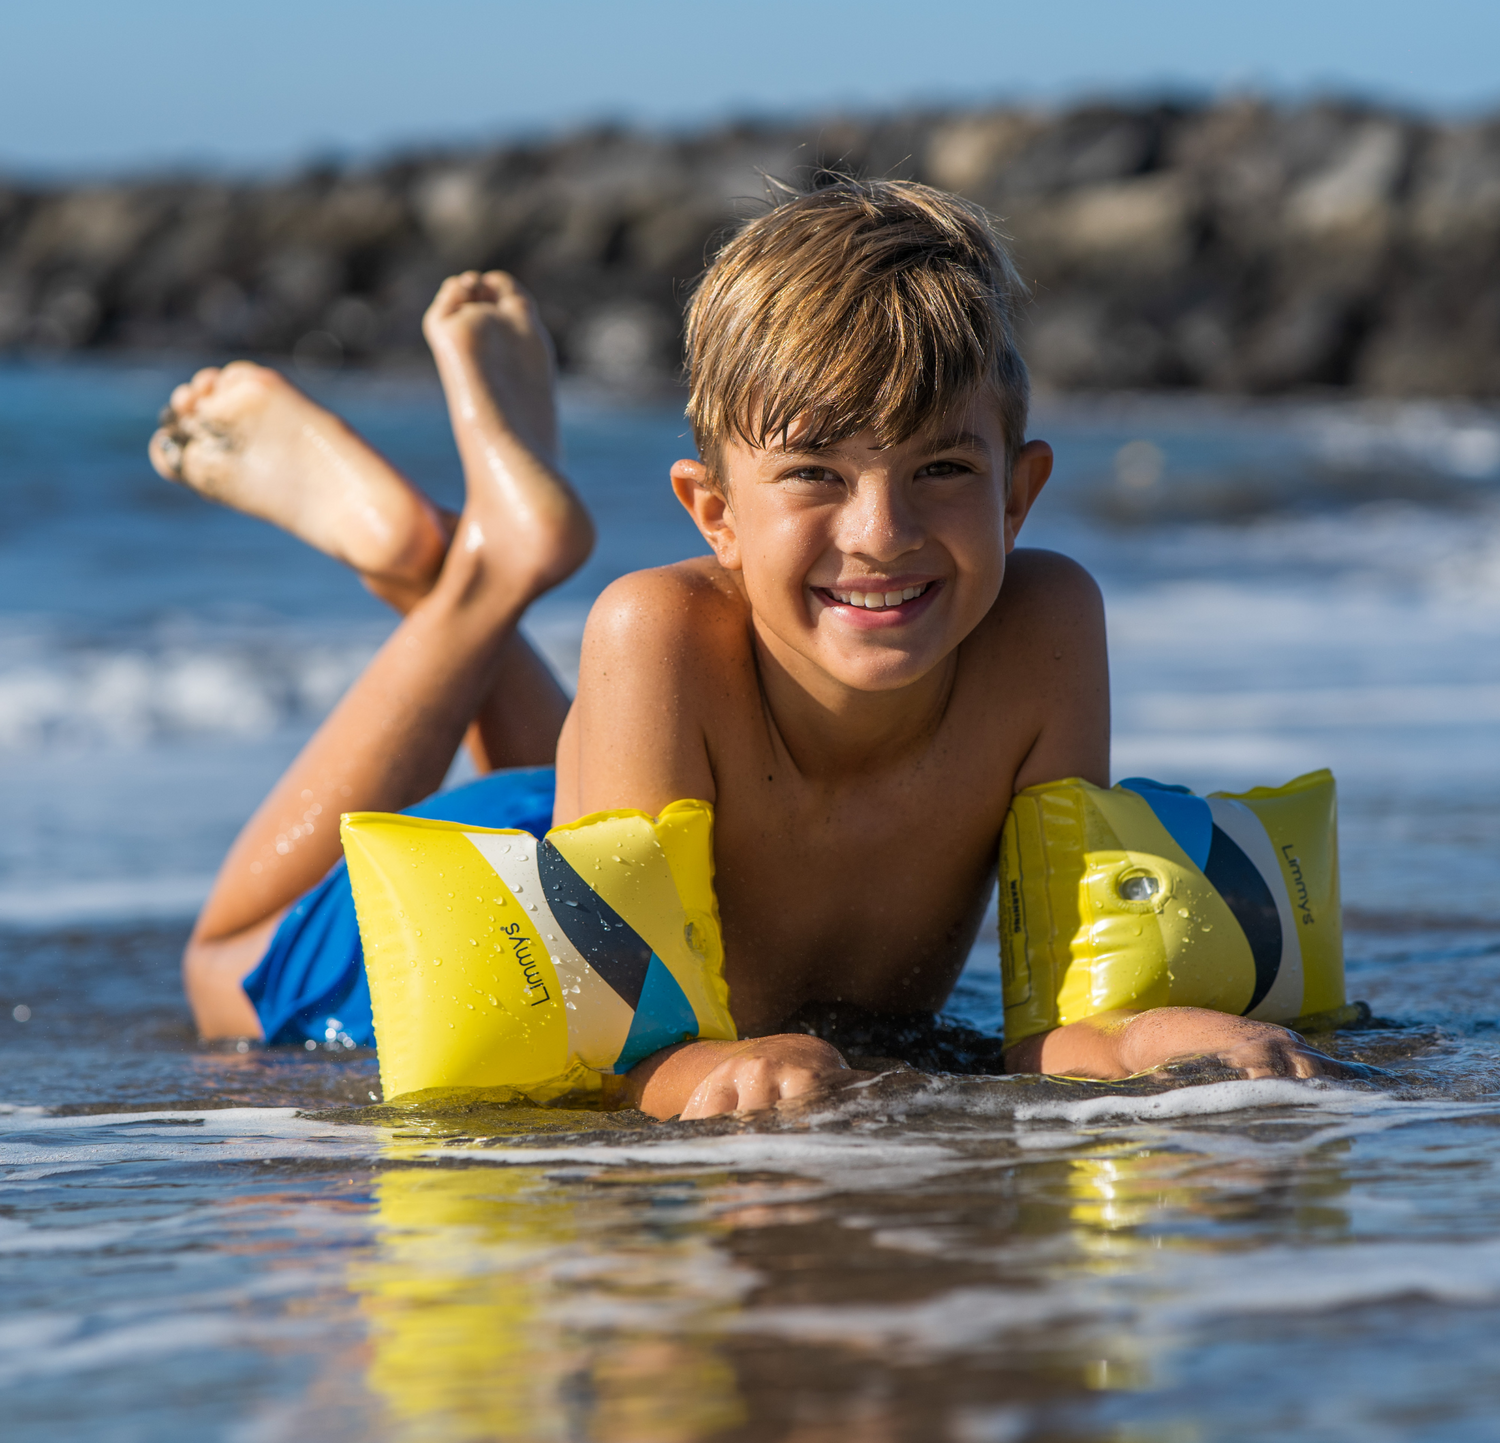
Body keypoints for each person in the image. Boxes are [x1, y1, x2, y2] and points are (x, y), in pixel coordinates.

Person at [154, 179, 1351, 1120]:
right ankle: (482, 573)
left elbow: (1053, 1020)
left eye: (942, 469)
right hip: (531, 898)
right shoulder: (656, 628)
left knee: (614, 791)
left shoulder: (1046, 629)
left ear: (1019, 494)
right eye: (815, 476)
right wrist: (682, 1075)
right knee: (225, 972)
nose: (882, 535)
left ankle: (433, 559)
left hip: (628, 818)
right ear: (713, 512)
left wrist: (1145, 1040)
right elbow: (609, 1031)